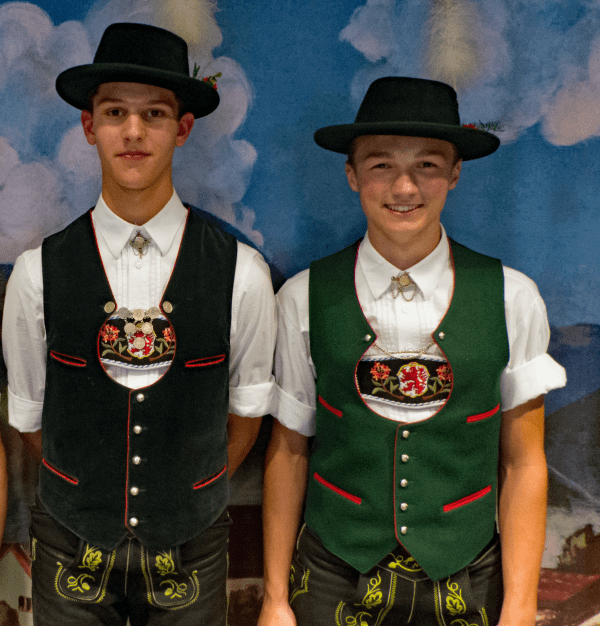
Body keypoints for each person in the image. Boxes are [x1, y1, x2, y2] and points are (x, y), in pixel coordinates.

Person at [258, 77, 566, 626]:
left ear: (455, 173)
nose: (404, 187)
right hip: (332, 577)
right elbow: (289, 450)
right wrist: (275, 598)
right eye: (382, 165)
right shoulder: (302, 297)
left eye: (426, 165)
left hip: (469, 581)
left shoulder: (513, 298)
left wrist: (520, 605)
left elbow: (523, 462)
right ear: (352, 174)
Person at [2, 22, 276, 626]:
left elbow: (245, 419)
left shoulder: (243, 274)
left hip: (193, 543)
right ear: (88, 125)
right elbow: (31, 420)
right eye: (114, 112)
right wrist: (89, 489)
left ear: (183, 128)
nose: (132, 131)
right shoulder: (35, 274)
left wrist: (184, 494)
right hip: (70, 538)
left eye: (153, 113)